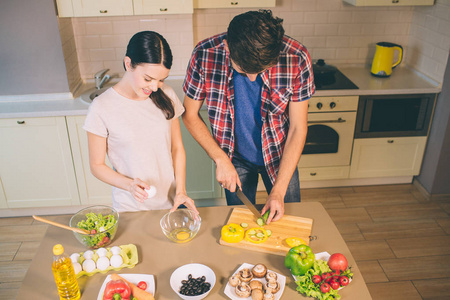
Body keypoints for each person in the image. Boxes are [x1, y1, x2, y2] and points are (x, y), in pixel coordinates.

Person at [182, 10, 314, 223]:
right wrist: (220, 158)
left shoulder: (296, 57)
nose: (253, 77)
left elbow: (298, 127)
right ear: (227, 47)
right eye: (244, 71)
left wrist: (278, 191)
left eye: (261, 70)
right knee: (240, 223)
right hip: (233, 158)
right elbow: (189, 114)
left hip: (280, 155)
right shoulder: (204, 54)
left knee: (287, 220)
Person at [83, 31, 198, 214]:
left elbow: (177, 148)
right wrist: (129, 185)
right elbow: (96, 166)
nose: (154, 87)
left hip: (170, 203)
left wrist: (181, 191)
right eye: (148, 79)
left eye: (161, 80)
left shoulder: (167, 95)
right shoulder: (101, 107)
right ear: (128, 64)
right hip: (130, 207)